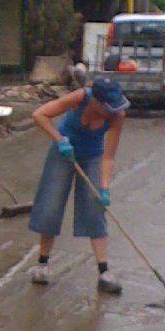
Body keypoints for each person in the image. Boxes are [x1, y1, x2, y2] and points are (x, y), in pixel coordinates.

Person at [28, 57, 128, 293]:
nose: (112, 111)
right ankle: (42, 265)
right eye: (108, 107)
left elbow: (108, 156)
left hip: (92, 155)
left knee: (95, 209)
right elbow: (39, 115)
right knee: (51, 204)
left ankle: (104, 272)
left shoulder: (117, 115)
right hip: (64, 151)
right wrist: (60, 140)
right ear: (96, 100)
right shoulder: (80, 98)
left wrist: (104, 188)